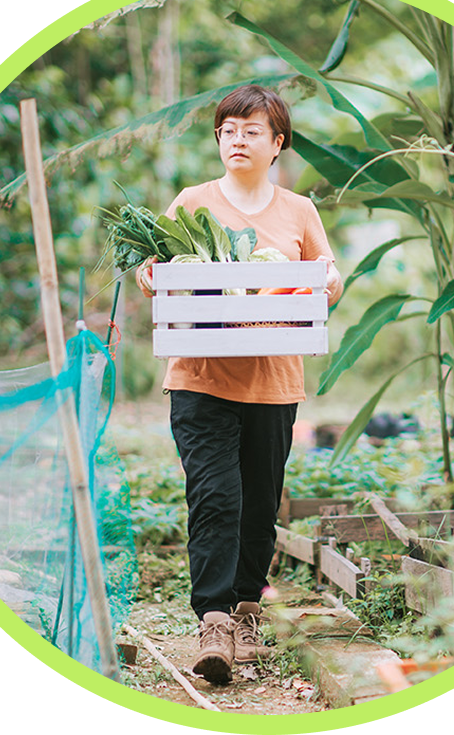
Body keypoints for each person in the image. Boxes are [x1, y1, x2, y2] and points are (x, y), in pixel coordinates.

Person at [136, 85, 343, 684]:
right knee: (215, 497)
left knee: (258, 501)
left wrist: (329, 281)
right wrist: (152, 278)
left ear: (277, 144)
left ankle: (248, 607)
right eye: (228, 130)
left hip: (275, 382)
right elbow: (159, 274)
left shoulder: (300, 210)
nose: (238, 140)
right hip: (200, 378)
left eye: (252, 131)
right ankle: (215, 621)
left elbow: (327, 277)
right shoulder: (191, 204)